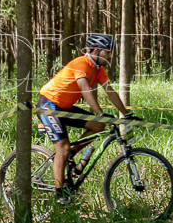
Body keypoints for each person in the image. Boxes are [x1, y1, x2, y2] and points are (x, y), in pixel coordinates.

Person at [36, 34, 139, 203]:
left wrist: (125, 113)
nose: (111, 56)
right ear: (97, 51)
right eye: (108, 52)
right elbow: (85, 90)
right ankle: (59, 194)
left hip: (64, 107)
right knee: (63, 148)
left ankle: (71, 154)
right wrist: (100, 113)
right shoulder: (81, 63)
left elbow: (110, 91)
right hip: (49, 104)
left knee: (98, 126)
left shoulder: (98, 70)